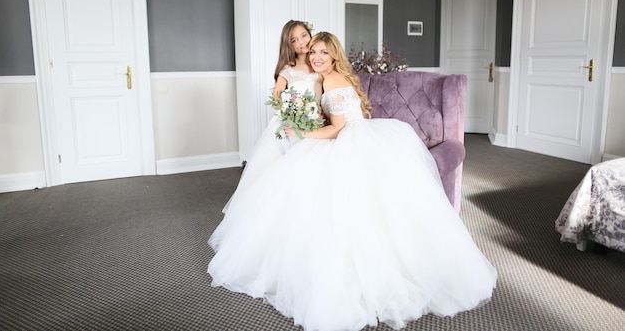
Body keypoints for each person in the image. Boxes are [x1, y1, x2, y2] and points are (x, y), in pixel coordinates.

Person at [208, 32, 497, 331]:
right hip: (351, 136)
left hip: (351, 140)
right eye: (313, 52)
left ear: (334, 55)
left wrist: (302, 133)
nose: (317, 57)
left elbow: (338, 129)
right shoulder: (324, 78)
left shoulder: (333, 81)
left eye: (323, 52)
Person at [221, 20, 321, 213]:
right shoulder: (287, 70)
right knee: (285, 173)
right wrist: (294, 110)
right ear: (288, 45)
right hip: (292, 123)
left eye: (303, 35)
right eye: (294, 40)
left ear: (310, 34)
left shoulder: (319, 64)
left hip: (315, 124)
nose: (301, 42)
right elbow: (277, 101)